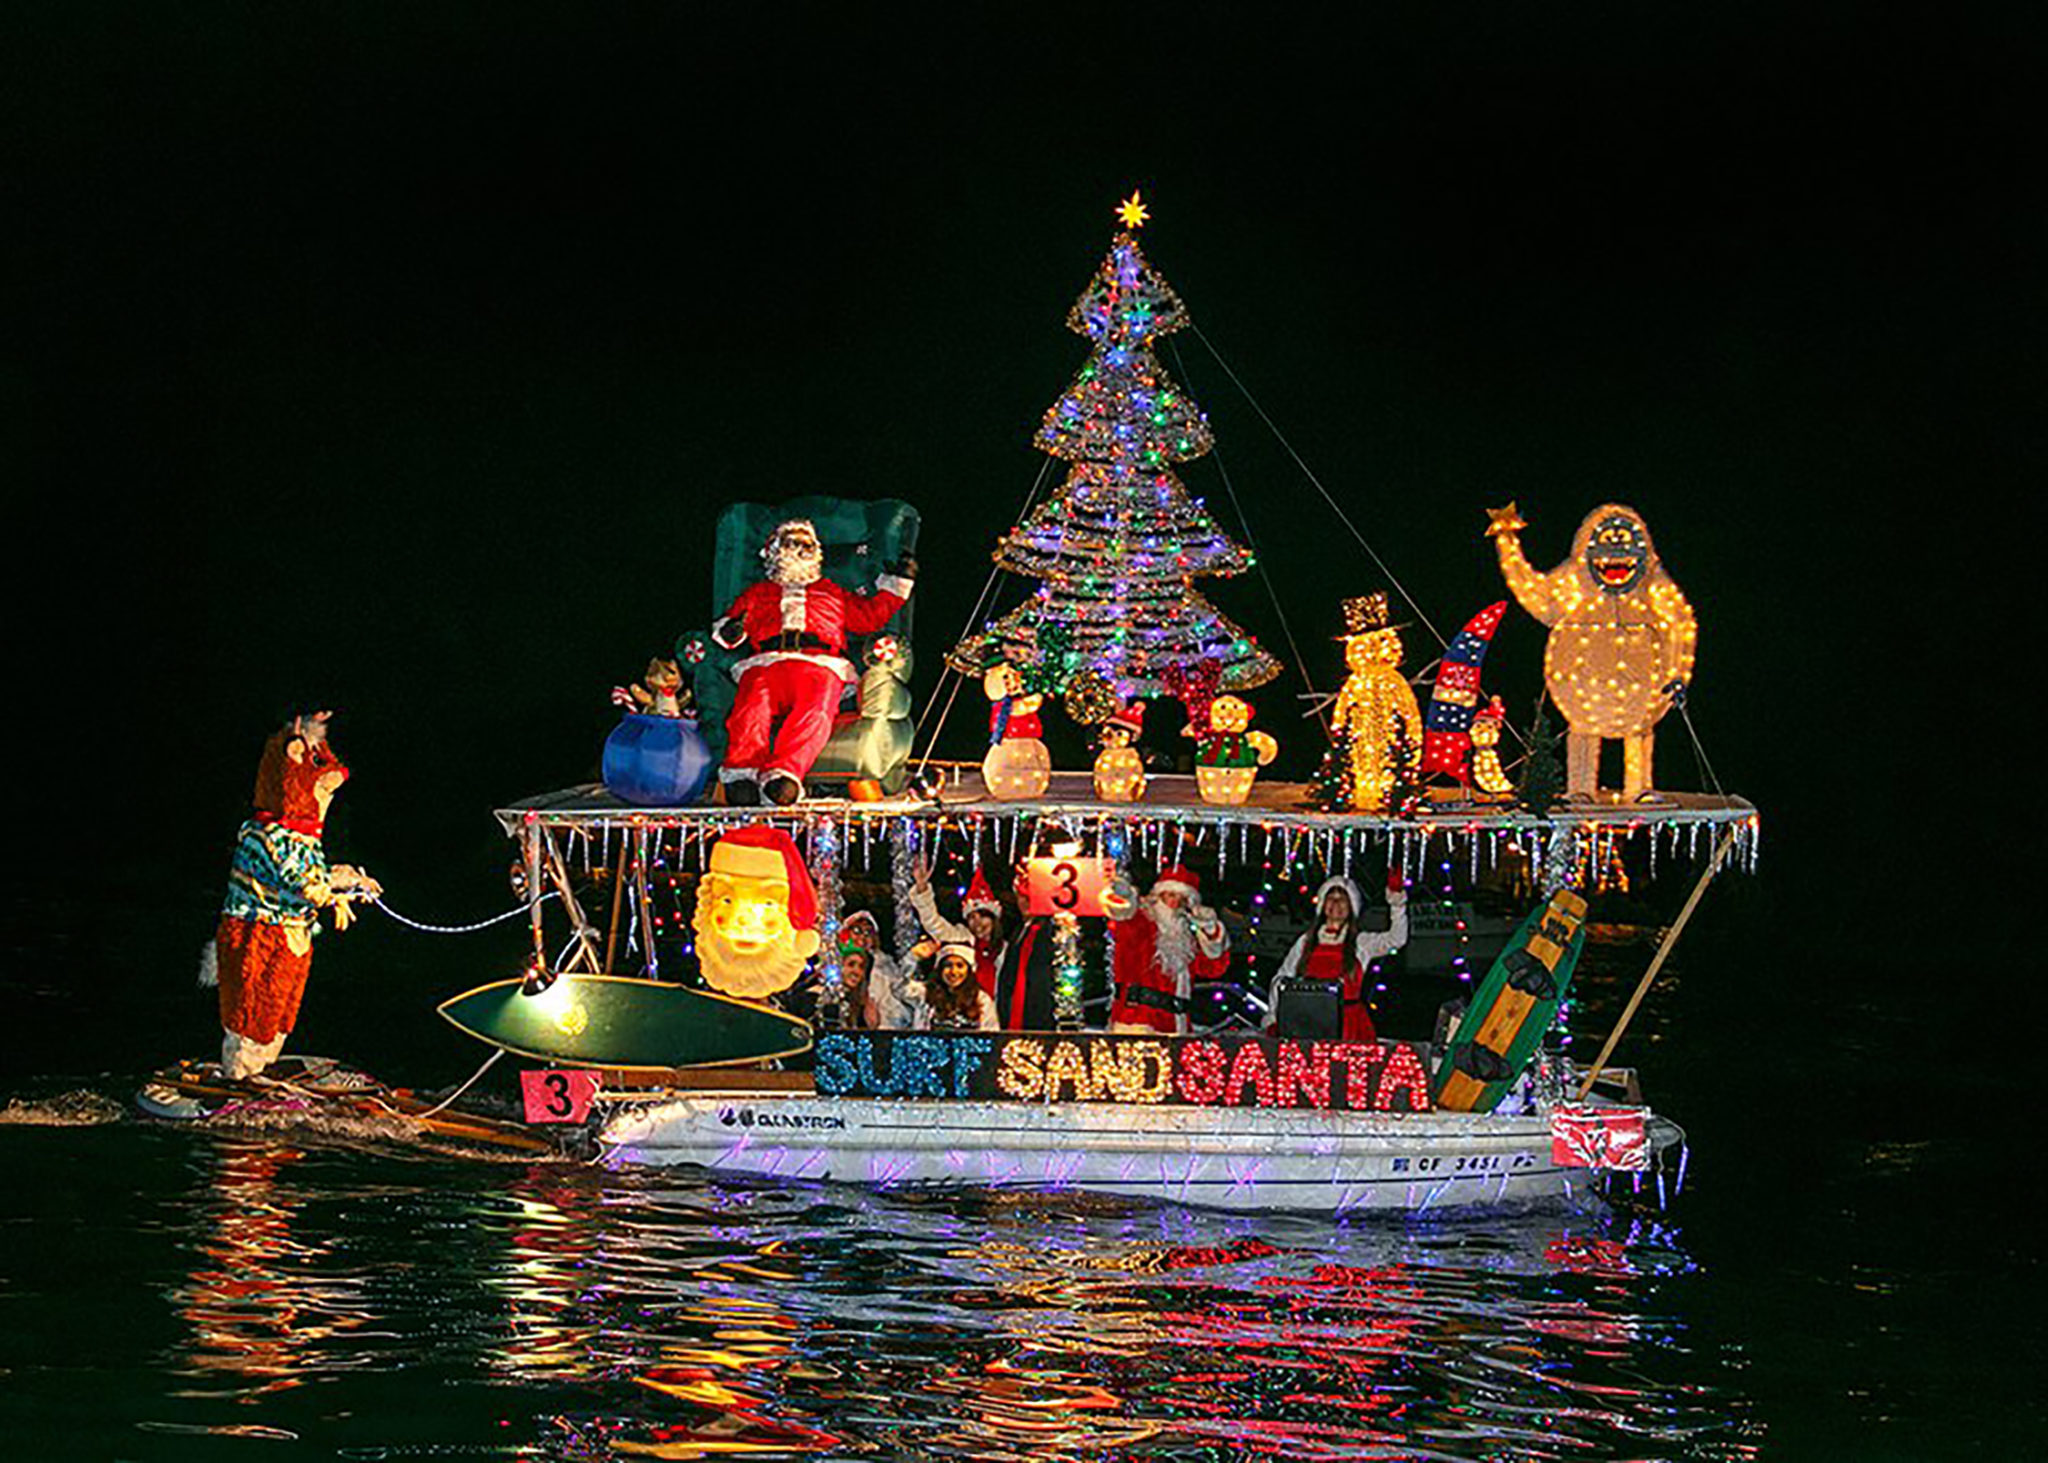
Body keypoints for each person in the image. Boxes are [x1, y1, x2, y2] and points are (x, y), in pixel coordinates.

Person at [203, 712, 380, 1080]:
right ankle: (239, 1073)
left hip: (292, 935)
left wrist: (349, 882)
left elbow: (315, 875)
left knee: (281, 1010)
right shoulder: (265, 834)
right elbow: (299, 880)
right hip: (259, 932)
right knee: (254, 1010)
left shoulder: (306, 840)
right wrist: (332, 893)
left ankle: (261, 1068)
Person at [711, 518, 915, 806]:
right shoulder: (757, 593)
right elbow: (729, 626)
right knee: (752, 707)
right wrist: (731, 630)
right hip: (767, 663)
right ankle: (742, 773)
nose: (801, 548)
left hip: (820, 664)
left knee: (816, 709)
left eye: (807, 543)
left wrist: (894, 587)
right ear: (775, 550)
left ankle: (782, 775)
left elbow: (868, 617)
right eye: (793, 542)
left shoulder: (832, 591)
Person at [1265, 869, 1408, 1042]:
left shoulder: (1361, 943)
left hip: (1350, 1029)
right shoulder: (1306, 942)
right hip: (1309, 1025)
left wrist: (1397, 903)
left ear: (1351, 907)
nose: (1336, 903)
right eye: (1331, 898)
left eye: (1343, 900)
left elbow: (1396, 939)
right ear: (1323, 905)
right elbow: (1282, 978)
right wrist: (1274, 1018)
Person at [1104, 866, 1230, 1035]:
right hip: (1138, 1022)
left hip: (1177, 1026)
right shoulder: (1143, 922)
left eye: (1182, 898)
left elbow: (1213, 969)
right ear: (1159, 895)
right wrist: (1124, 898)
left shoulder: (1187, 937)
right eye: (1171, 895)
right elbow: (1124, 919)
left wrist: (1209, 929)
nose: (1175, 903)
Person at [907, 864, 1007, 1001]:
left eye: (983, 916)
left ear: (994, 918)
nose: (977, 923)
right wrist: (922, 887)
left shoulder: (1006, 950)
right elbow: (933, 922)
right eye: (971, 917)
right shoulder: (961, 938)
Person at [838, 909, 923, 1028]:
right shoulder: (830, 964)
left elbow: (900, 994)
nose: (862, 936)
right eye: (857, 930)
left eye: (868, 933)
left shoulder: (885, 968)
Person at [917, 939, 998, 1031]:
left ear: (969, 970)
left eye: (960, 965)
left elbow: (991, 1034)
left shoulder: (981, 1000)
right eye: (948, 965)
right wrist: (913, 957)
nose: (954, 972)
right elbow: (899, 986)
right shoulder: (925, 993)